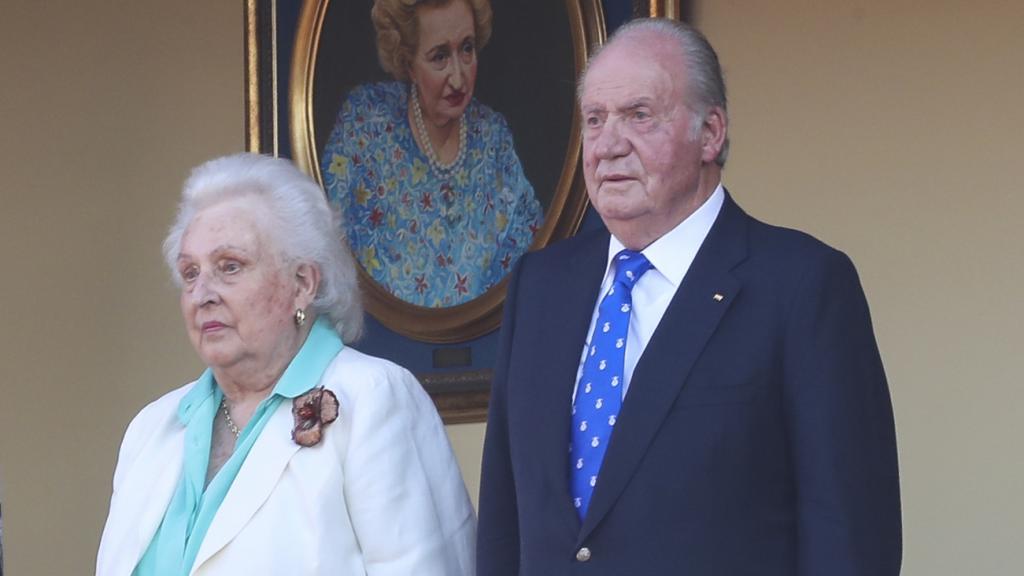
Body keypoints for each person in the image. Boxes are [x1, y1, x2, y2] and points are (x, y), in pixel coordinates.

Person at [477, 18, 902, 575]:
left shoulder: (802, 285)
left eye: (639, 116)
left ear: (711, 133)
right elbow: (504, 521)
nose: (607, 146)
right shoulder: (540, 287)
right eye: (595, 120)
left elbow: (851, 538)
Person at [96, 154, 475, 576]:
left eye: (230, 267)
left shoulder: (372, 398)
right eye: (190, 273)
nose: (202, 293)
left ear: (303, 283)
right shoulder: (151, 428)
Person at [320, 0, 543, 308]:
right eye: (439, 56)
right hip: (380, 338)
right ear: (408, 62)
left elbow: (527, 247)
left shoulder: (492, 135)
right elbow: (324, 237)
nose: (458, 77)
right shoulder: (366, 122)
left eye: (466, 49)